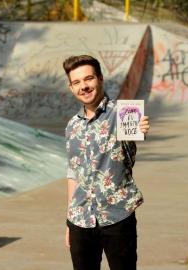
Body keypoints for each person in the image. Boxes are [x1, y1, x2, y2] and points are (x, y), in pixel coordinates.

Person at [62, 55, 150, 270]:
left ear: (100, 79)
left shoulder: (122, 113)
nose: (84, 86)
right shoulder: (72, 126)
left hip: (117, 217)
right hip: (80, 221)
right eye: (77, 82)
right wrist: (69, 219)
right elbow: (73, 173)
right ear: (71, 87)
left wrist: (140, 130)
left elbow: (133, 137)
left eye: (88, 79)